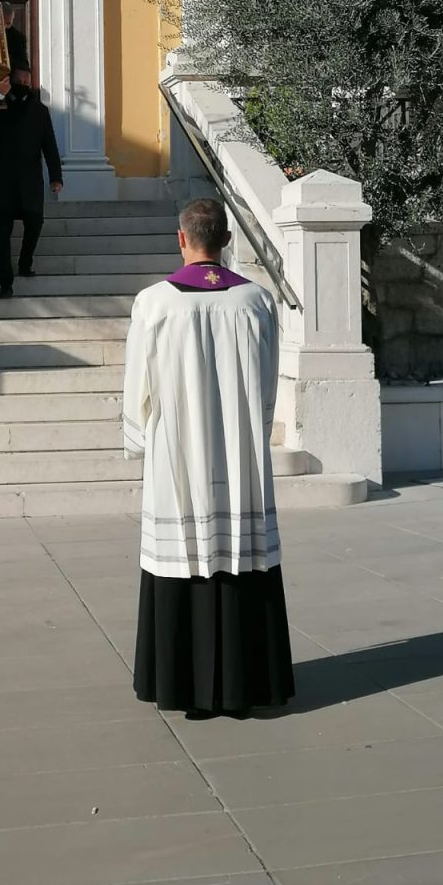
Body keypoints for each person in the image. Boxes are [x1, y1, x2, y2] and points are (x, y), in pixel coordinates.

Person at [124, 198, 295, 717]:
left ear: (182, 238)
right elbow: (267, 387)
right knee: (242, 554)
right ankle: (247, 685)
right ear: (226, 239)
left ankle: (182, 687)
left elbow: (137, 391)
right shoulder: (257, 301)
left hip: (177, 456)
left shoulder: (154, 303)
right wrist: (255, 430)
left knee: (181, 555)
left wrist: (139, 440)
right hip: (239, 456)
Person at [0, 66, 63, 299]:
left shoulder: (39, 110)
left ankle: (25, 262)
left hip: (29, 180)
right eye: (19, 80)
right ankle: (5, 283)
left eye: (27, 81)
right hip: (0, 181)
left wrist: (56, 176)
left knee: (35, 222)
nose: (24, 84)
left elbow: (49, 144)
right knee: (2, 233)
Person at [2, 2, 30, 73]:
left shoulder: (18, 38)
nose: (4, 27)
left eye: (8, 24)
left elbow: (23, 64)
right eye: (1, 23)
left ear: (12, 19)